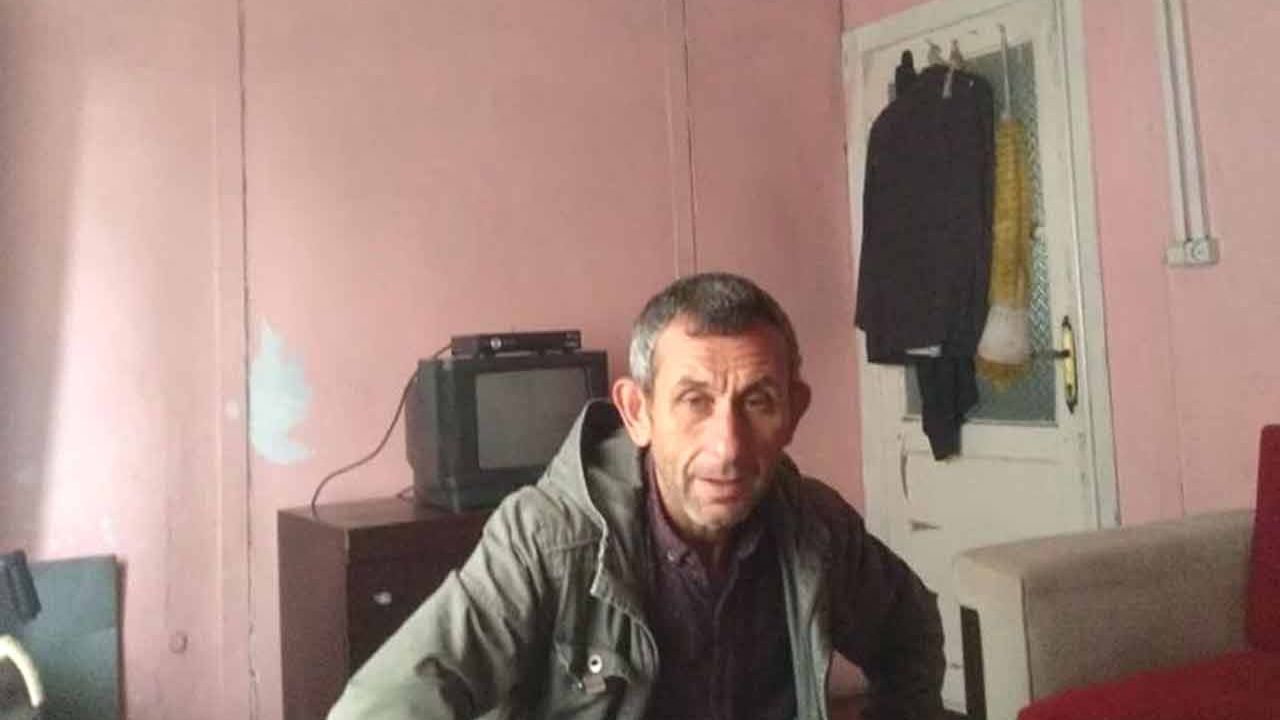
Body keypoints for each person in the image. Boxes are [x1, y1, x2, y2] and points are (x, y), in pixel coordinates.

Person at [327, 272, 945, 720]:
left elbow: (910, 634)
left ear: (794, 411)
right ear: (637, 412)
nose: (728, 446)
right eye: (694, 401)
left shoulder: (817, 528)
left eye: (758, 401)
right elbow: (382, 705)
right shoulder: (543, 539)